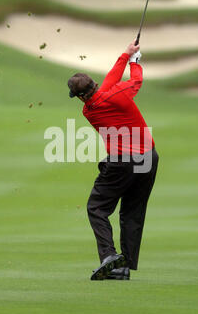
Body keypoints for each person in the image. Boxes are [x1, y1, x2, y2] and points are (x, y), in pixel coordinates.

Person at [68, 41, 159, 280]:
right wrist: (134, 61)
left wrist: (126, 55)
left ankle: (109, 257)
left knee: (96, 208)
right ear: (94, 86)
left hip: (123, 162)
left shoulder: (88, 110)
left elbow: (109, 83)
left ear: (79, 97)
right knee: (132, 212)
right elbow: (134, 82)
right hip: (148, 157)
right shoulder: (114, 94)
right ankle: (123, 266)